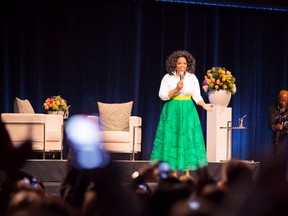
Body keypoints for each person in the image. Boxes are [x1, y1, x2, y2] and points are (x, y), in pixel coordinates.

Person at [150, 50, 213, 177]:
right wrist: (176, 89)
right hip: (173, 110)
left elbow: (196, 96)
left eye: (184, 63)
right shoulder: (168, 77)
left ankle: (186, 173)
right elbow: (162, 95)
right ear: (174, 64)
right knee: (172, 138)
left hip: (188, 111)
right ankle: (172, 172)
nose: (182, 66)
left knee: (187, 139)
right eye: (179, 63)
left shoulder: (192, 77)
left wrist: (204, 105)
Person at [268, 90, 288, 157]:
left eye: (285, 101)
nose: (283, 103)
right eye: (281, 100)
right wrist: (276, 127)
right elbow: (271, 125)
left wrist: (283, 126)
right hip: (279, 138)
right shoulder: (273, 108)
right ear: (278, 99)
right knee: (278, 158)